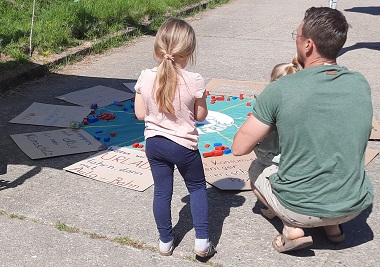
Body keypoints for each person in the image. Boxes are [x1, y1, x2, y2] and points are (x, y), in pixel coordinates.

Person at [232, 7, 373, 253]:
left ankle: (291, 227)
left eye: (296, 35)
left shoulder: (281, 89)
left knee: (256, 170)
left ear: (308, 45)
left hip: (301, 208)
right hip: (354, 205)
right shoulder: (360, 82)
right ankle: (333, 228)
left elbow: (239, 147)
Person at [134, 18, 215, 257]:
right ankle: (201, 242)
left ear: (159, 49)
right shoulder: (195, 80)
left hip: (155, 144)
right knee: (198, 187)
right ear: (188, 52)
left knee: (162, 191)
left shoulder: (145, 77)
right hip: (184, 146)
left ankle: (165, 241)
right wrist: (201, 99)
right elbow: (200, 115)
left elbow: (140, 114)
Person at [253, 57, 302, 219]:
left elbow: (243, 145)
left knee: (255, 169)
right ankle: (334, 230)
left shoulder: (272, 104)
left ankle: (278, 212)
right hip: (305, 160)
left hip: (277, 157)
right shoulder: (306, 103)